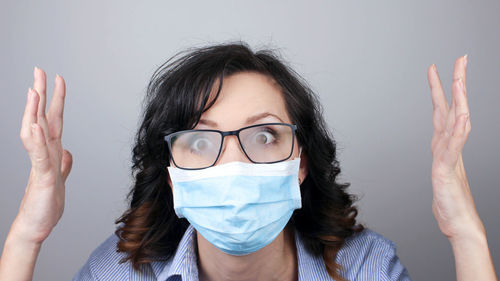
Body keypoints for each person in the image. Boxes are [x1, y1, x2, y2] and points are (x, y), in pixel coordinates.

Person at [0, 42, 496, 281]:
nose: (232, 164)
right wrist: (27, 234)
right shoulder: (119, 273)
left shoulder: (366, 267)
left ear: (300, 161)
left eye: (263, 135)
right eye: (200, 141)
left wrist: (466, 233)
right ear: (172, 174)